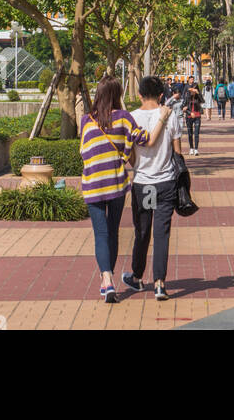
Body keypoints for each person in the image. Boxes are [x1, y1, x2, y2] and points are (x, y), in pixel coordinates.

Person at [80, 75, 171, 303]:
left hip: (93, 185)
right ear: (118, 95)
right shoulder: (124, 118)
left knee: (100, 234)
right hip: (116, 184)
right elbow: (146, 139)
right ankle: (111, 278)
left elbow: (83, 152)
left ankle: (107, 280)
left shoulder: (85, 120)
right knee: (112, 232)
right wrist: (161, 118)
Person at [122, 75, 183, 301]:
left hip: (143, 184)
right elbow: (177, 151)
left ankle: (137, 277)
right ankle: (159, 283)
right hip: (166, 182)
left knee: (143, 231)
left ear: (139, 94)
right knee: (162, 233)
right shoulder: (169, 115)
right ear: (161, 95)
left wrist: (138, 166)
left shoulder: (132, 118)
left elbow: (129, 153)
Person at [183, 76, 203, 155]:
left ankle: (196, 149)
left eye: (195, 89)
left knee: (197, 133)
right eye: (192, 90)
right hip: (189, 116)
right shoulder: (187, 97)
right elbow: (183, 106)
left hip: (197, 115)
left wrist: (198, 93)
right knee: (190, 133)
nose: (193, 91)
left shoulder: (198, 97)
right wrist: (189, 112)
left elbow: (202, 100)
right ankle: (191, 148)